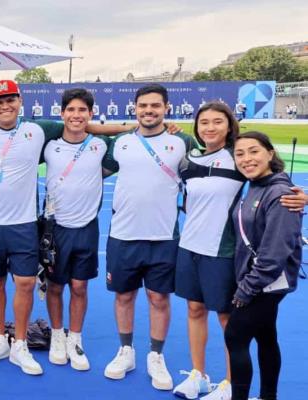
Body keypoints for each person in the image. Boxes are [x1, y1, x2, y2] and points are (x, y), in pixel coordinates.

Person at [0, 80, 132, 374]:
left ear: (20, 101)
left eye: (10, 99)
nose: (5, 106)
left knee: (27, 283)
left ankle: (20, 344)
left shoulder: (38, 130)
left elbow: (80, 127)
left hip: (25, 223)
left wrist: (131, 127)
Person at [172, 103, 308, 400]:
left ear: (229, 125)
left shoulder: (238, 156)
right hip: (190, 246)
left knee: (229, 322)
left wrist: (304, 197)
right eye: (203, 122)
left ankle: (229, 385)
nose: (210, 127)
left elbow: (276, 184)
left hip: (223, 250)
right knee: (194, 310)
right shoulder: (188, 159)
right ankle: (198, 375)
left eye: (217, 121)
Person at [101, 84, 197, 391]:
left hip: (164, 236)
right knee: (124, 295)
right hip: (123, 234)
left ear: (167, 108)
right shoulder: (121, 143)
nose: (149, 111)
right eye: (143, 106)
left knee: (159, 298)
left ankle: (156, 355)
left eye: (155, 106)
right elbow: (96, 171)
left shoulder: (182, 141)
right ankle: (125, 350)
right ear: (135, 108)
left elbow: (205, 175)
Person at [226, 131, 302, 400]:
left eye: (254, 151)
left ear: (270, 153)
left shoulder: (280, 193)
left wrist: (246, 288)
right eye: (240, 153)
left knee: (235, 337)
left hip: (265, 282)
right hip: (259, 279)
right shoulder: (256, 185)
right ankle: (268, 396)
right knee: (265, 335)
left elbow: (274, 254)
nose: (246, 159)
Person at [42, 88, 109, 372]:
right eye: (71, 110)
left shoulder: (103, 146)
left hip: (86, 228)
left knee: (80, 286)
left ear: (91, 115)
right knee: (55, 285)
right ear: (62, 114)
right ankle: (57, 335)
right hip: (55, 228)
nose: (76, 115)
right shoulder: (48, 146)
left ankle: (75, 338)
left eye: (83, 110)